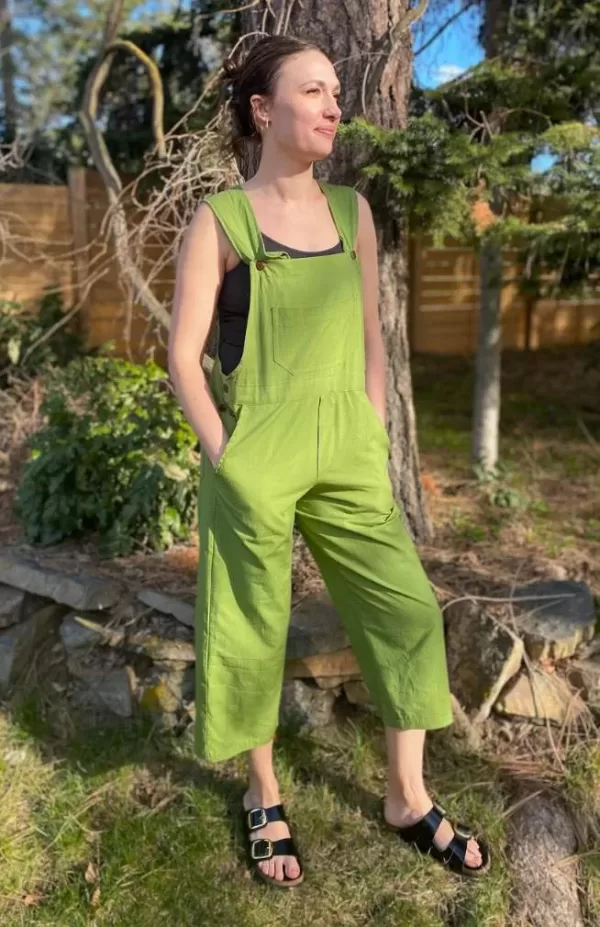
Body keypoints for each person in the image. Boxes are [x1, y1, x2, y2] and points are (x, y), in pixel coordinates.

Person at [168, 34, 490, 888]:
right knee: (249, 626)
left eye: (336, 91)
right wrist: (229, 456)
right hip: (257, 449)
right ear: (263, 110)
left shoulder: (354, 214)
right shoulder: (222, 221)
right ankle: (263, 791)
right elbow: (182, 357)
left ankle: (406, 796)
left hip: (348, 445)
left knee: (407, 609)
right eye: (312, 90)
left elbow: (373, 338)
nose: (333, 104)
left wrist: (373, 434)